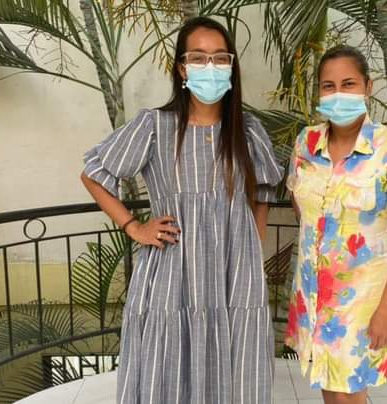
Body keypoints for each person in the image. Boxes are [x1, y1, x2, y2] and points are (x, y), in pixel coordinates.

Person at [80, 16, 283, 404]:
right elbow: (93, 174)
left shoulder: (248, 130)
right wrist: (133, 226)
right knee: (167, 366)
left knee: (237, 368)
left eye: (220, 58)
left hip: (234, 273)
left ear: (231, 66)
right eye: (199, 57)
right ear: (182, 68)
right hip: (173, 271)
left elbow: (261, 196)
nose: (211, 66)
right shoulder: (154, 126)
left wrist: (252, 255)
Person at [285, 45, 387, 404]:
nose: (338, 94)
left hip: (363, 295)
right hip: (312, 288)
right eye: (328, 86)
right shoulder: (306, 142)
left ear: (367, 86)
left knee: (349, 391)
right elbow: (300, 201)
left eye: (348, 84)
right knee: (329, 382)